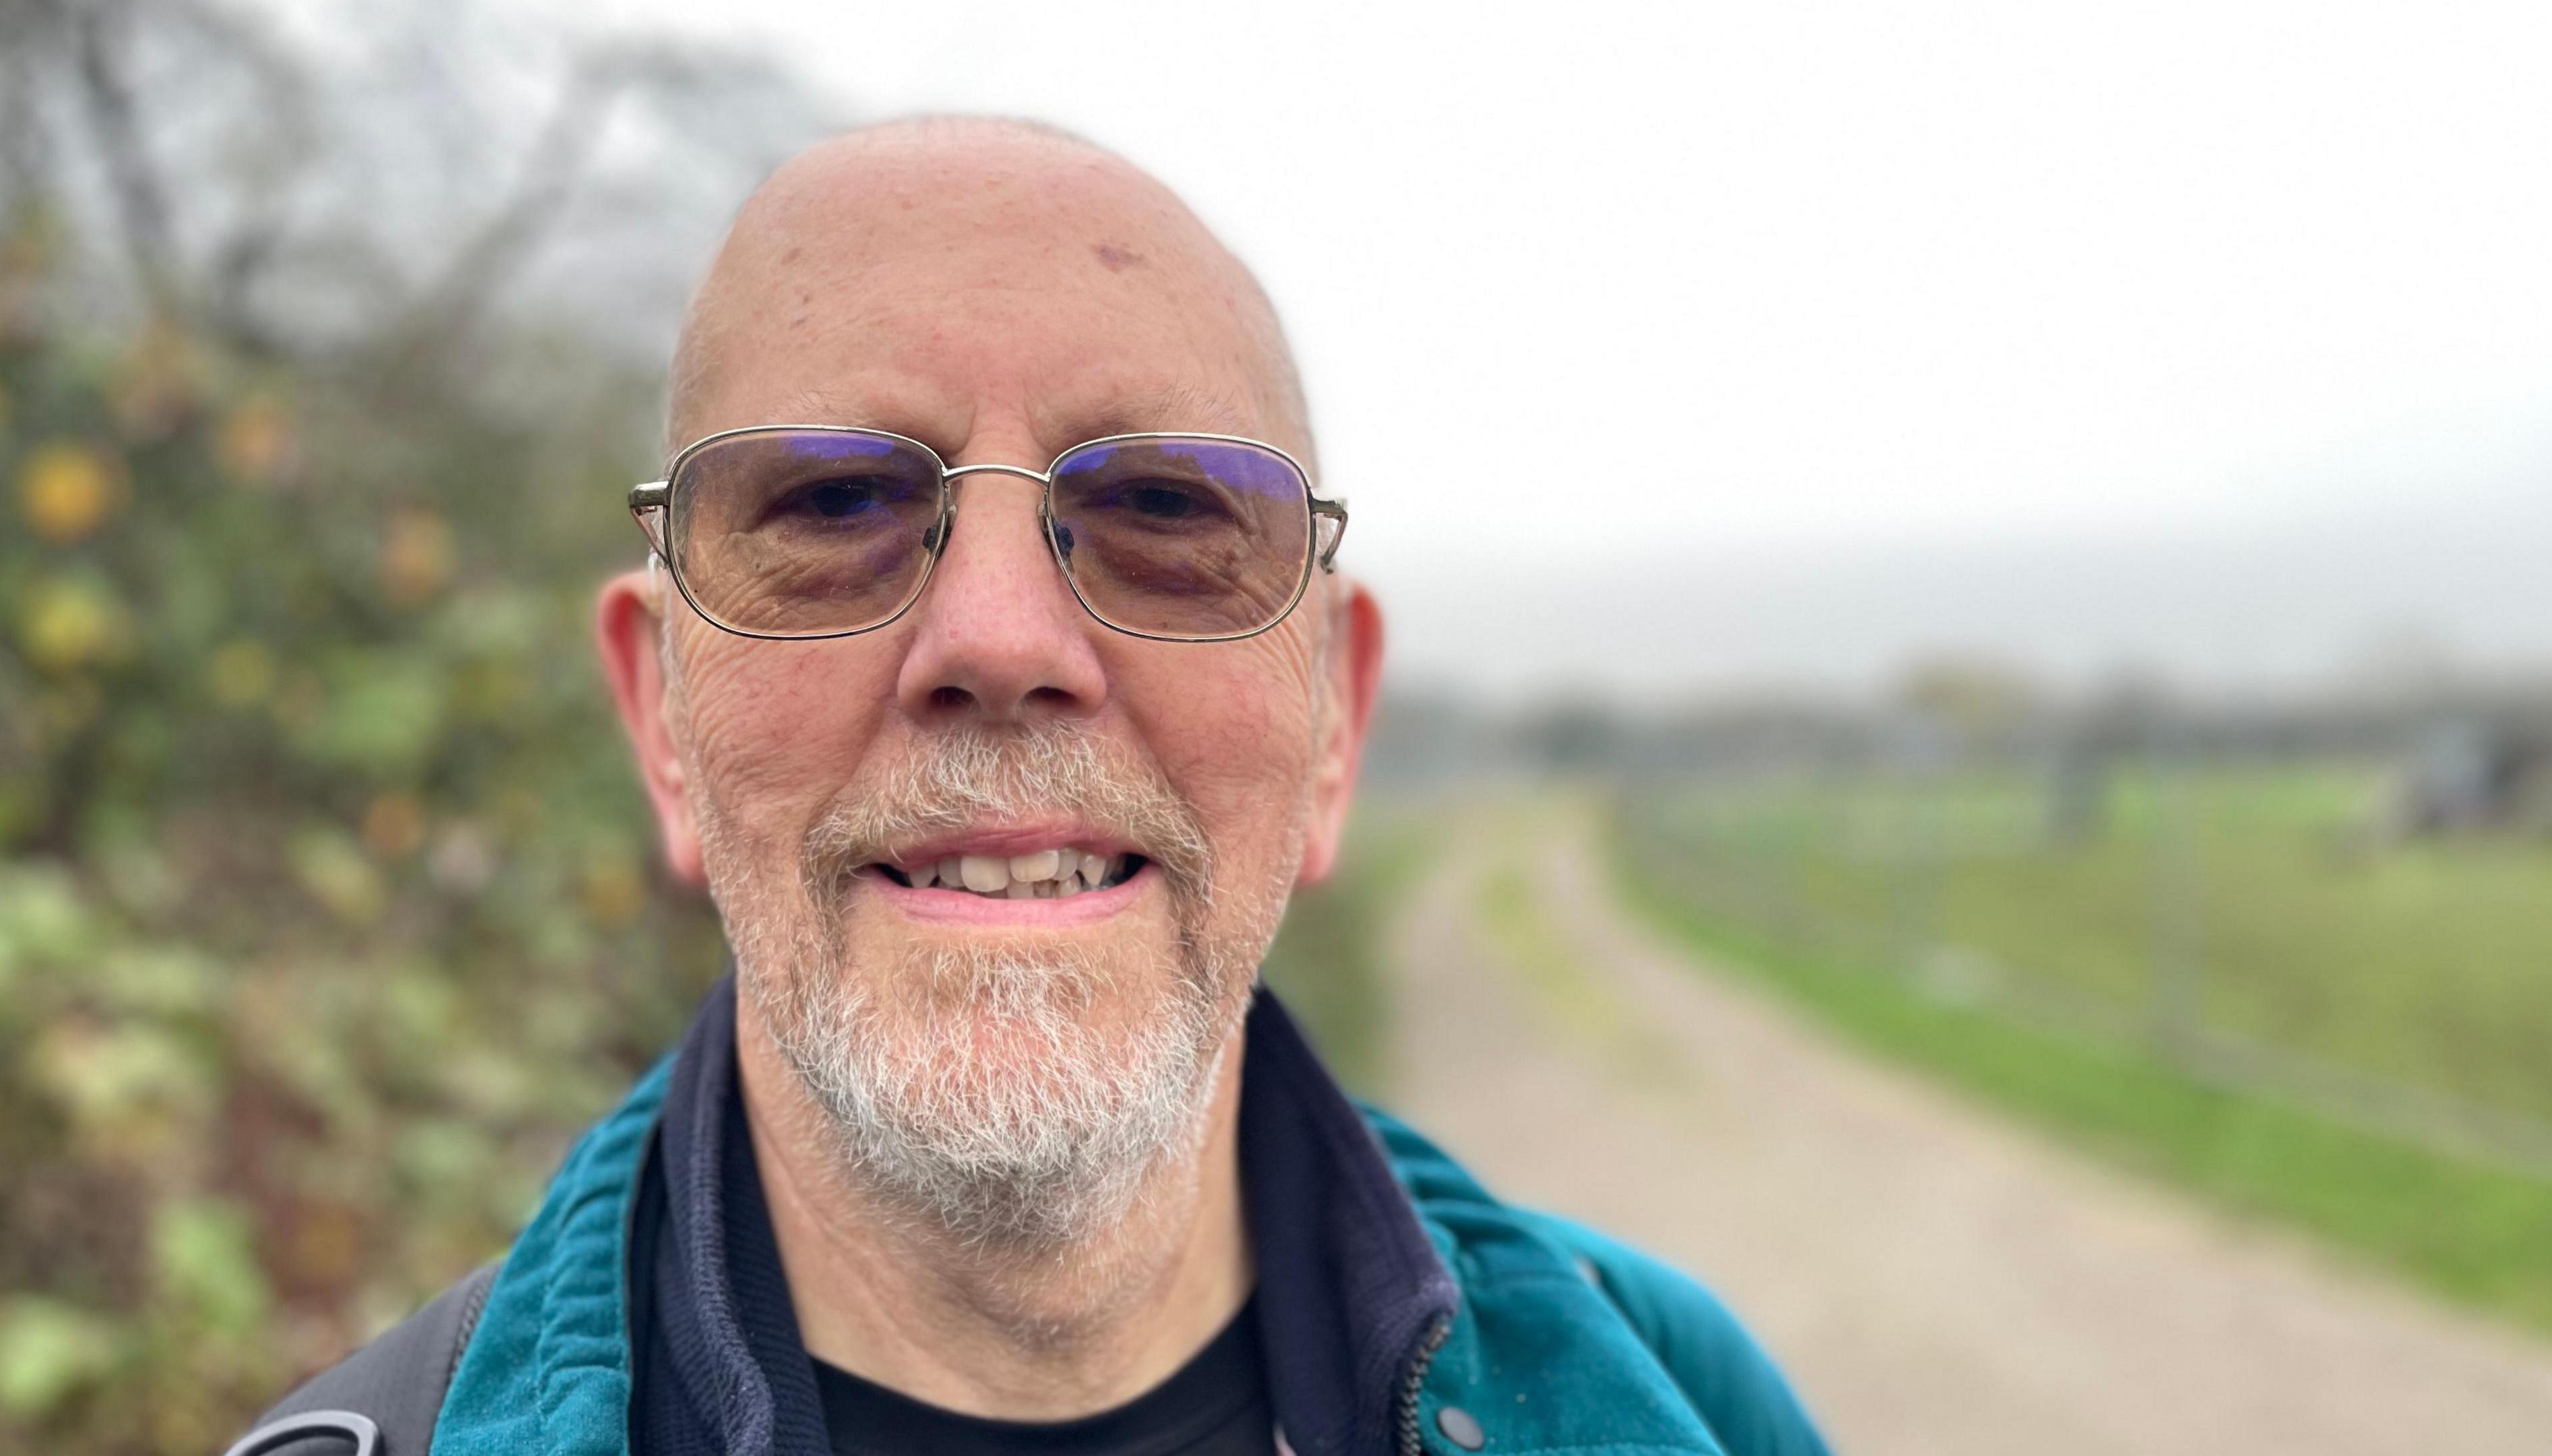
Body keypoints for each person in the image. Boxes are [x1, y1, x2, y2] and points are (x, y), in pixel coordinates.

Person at [228, 117, 1831, 1456]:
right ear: (660, 713)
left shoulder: (1677, 1394)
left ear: (1336, 719)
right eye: (836, 502)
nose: (999, 641)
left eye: (1164, 508)